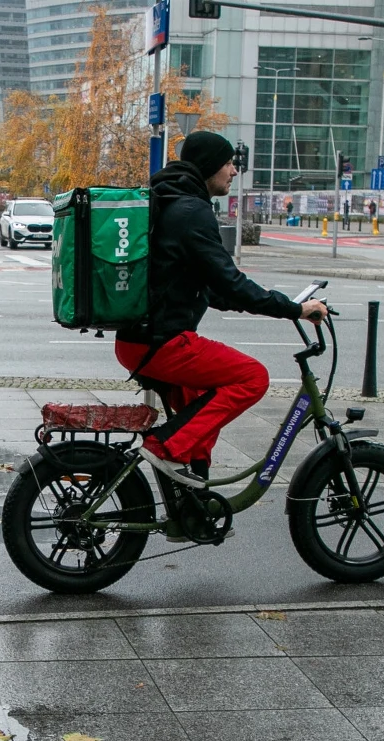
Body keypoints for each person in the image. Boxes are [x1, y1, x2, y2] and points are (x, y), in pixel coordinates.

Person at [114, 131, 327, 492]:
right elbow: (230, 282)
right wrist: (294, 309)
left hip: (140, 338)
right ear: (211, 165)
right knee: (252, 377)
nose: (233, 170)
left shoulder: (171, 200)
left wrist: (270, 303)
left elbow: (213, 289)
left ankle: (193, 503)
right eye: (228, 163)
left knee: (200, 415)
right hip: (163, 342)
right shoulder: (190, 210)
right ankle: (164, 446)